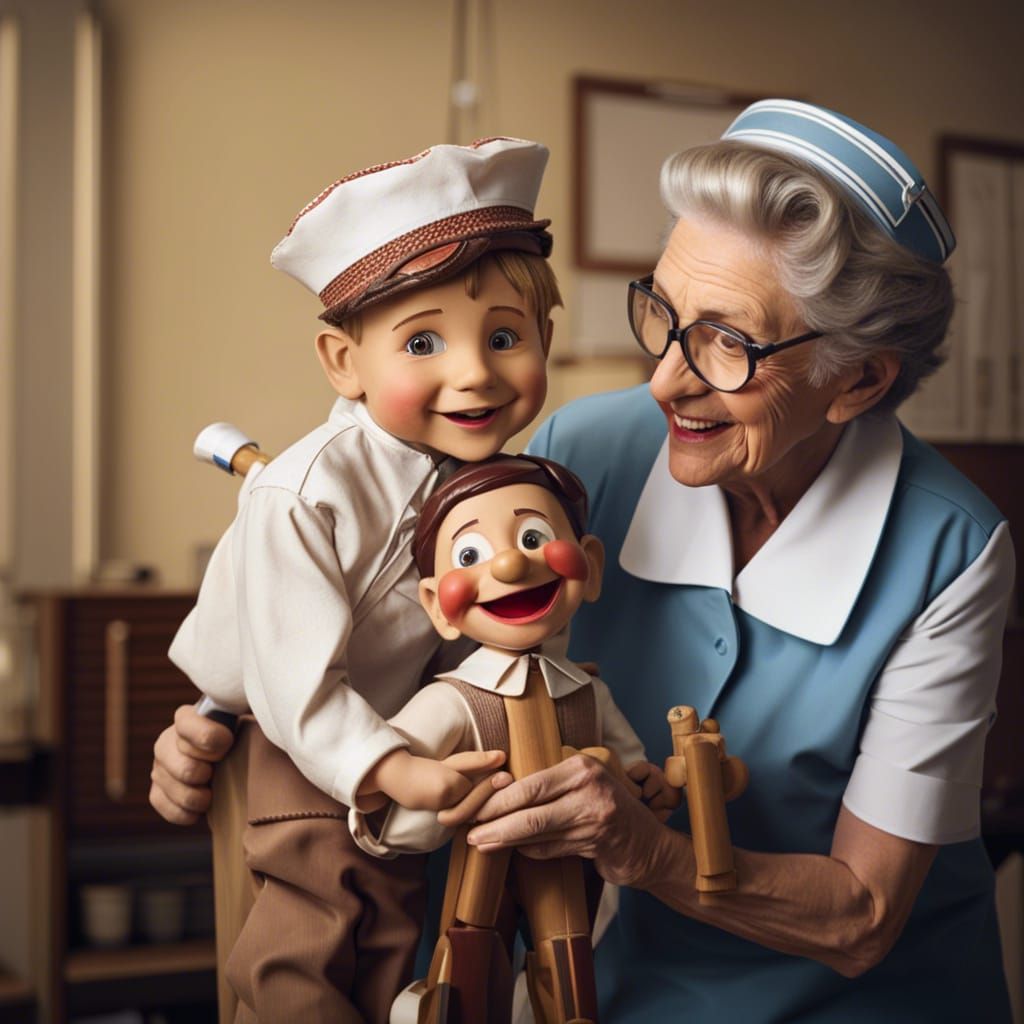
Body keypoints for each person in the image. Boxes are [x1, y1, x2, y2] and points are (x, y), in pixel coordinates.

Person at [154, 100, 1016, 1021]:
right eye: (666, 315)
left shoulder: (951, 551)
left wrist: (649, 850)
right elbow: (408, 642)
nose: (664, 381)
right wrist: (231, 715)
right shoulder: (572, 458)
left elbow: (864, 918)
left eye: (729, 343)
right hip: (599, 993)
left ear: (860, 379)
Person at [158, 137, 565, 1023]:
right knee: (310, 936)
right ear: (344, 364)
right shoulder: (303, 493)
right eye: (423, 342)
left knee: (387, 940)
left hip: (404, 743)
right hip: (297, 749)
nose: (474, 373)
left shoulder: (493, 479)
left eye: (505, 336)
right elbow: (294, 681)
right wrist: (387, 767)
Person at [353, 453, 677, 1022]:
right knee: (471, 983)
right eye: (471, 555)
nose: (507, 564)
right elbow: (384, 799)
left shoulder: (587, 693)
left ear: (590, 566)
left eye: (533, 536)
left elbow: (631, 772)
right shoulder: (451, 699)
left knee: (571, 988)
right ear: (437, 605)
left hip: (573, 890)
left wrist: (649, 787)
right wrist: (439, 800)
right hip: (481, 886)